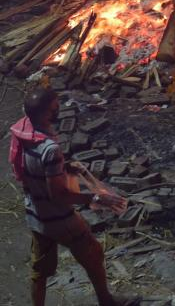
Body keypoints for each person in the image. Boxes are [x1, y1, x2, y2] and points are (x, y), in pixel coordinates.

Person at [9, 87, 136, 306]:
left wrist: (63, 168)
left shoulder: (24, 131)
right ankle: (106, 300)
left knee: (39, 270)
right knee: (93, 254)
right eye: (54, 108)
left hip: (35, 214)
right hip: (58, 218)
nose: (58, 111)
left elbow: (34, 169)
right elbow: (58, 194)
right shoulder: (49, 150)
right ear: (45, 114)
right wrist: (95, 199)